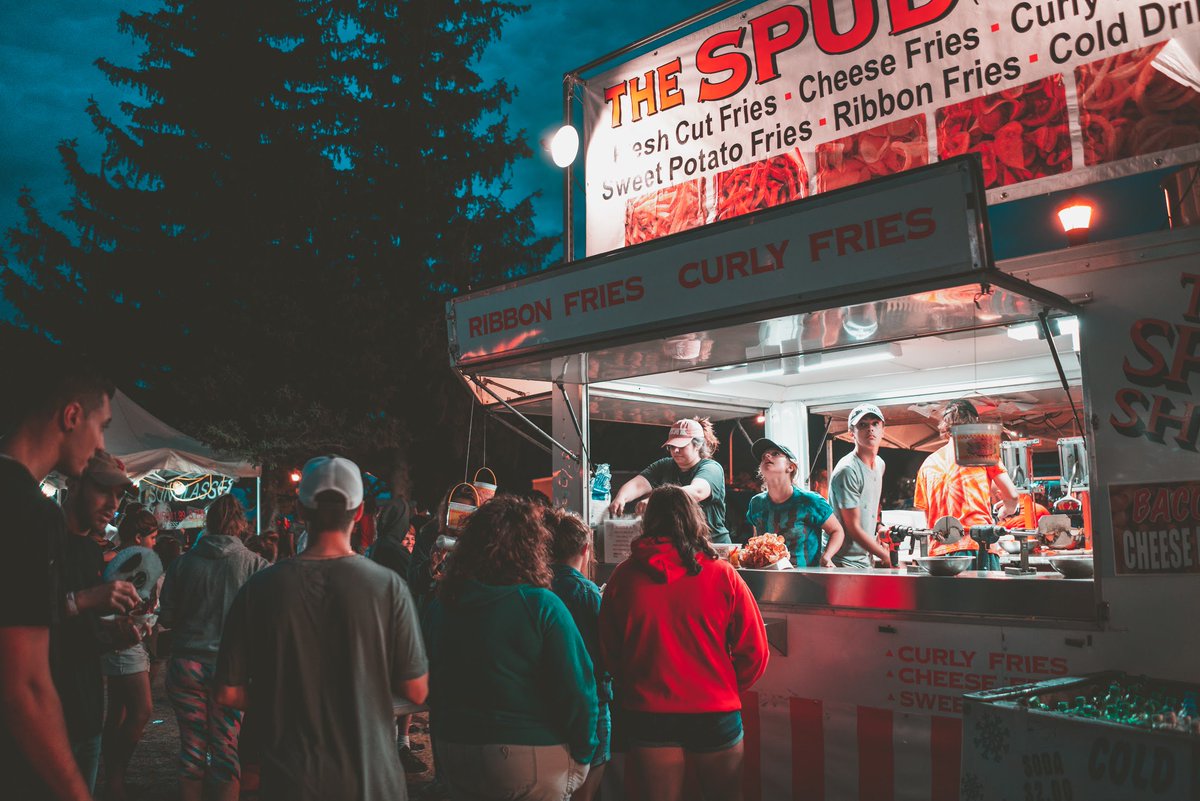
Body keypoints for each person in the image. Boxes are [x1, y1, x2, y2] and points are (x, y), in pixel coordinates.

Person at [216, 456, 428, 801]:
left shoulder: (260, 587)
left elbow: (227, 692)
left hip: (290, 778)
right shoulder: (388, 587)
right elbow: (416, 690)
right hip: (371, 779)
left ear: (300, 511)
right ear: (359, 513)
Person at [0, 351, 140, 801]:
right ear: (72, 415)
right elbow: (25, 683)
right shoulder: (28, 512)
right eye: (101, 425)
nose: (100, 443)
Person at [599, 486, 768, 801]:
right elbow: (755, 652)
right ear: (695, 520)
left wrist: (637, 681)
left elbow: (608, 652)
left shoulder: (623, 577)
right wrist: (725, 686)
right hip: (715, 711)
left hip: (649, 714)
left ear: (649, 521)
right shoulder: (724, 575)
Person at [428, 495, 598, 801]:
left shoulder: (444, 604)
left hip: (454, 748)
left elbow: (434, 678)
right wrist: (584, 752)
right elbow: (578, 691)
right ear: (533, 547)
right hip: (526, 755)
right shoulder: (541, 605)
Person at [159, 493, 269, 801]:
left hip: (186, 667)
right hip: (230, 671)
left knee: (192, 749)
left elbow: (166, 616)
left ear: (208, 522)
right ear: (240, 523)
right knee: (225, 751)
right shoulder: (256, 565)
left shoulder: (182, 564)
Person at [56, 448, 145, 794]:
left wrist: (118, 633)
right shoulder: (42, 539)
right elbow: (22, 612)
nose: (113, 503)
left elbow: (81, 633)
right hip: (49, 718)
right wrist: (87, 598)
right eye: (103, 490)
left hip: (88, 713)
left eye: (119, 494)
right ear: (75, 484)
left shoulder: (92, 551)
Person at [546, 508, 610, 801]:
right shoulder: (586, 593)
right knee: (592, 766)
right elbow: (605, 650)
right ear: (585, 549)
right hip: (590, 697)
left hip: (548, 696)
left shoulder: (538, 585)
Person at [914, 398, 1021, 568]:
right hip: (977, 545)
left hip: (940, 553)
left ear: (945, 424)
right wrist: (1008, 509)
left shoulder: (928, 463)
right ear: (975, 422)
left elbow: (927, 517)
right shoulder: (980, 450)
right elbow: (1013, 496)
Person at [100, 507, 161, 801]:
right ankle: (113, 780)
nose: (154, 542)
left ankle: (113, 781)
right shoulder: (122, 562)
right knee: (142, 710)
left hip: (126, 642)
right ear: (138, 537)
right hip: (123, 645)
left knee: (118, 712)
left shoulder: (120, 559)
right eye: (152, 536)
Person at [367, 495, 427, 775]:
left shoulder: (378, 546)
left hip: (381, 624)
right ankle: (396, 747)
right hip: (396, 625)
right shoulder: (392, 549)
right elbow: (415, 578)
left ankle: (396, 744)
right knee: (400, 688)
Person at [608, 417, 731, 543]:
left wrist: (656, 500)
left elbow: (697, 491)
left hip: (713, 544)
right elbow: (637, 485)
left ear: (697, 445)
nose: (675, 450)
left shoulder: (711, 468)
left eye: (681, 446)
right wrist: (621, 498)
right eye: (672, 446)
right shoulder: (664, 465)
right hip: (683, 546)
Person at [747, 438, 845, 568]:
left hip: (805, 578)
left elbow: (837, 530)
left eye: (775, 454)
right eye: (763, 456)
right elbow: (757, 538)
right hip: (767, 578)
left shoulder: (810, 501)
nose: (766, 456)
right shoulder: (756, 503)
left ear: (790, 467)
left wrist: (827, 556)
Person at [830, 404, 894, 569]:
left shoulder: (880, 464)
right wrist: (884, 555)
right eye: (863, 425)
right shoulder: (848, 470)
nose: (870, 429)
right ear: (852, 433)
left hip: (866, 559)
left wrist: (879, 527)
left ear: (883, 430)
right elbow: (853, 528)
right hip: (843, 562)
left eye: (875, 424)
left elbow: (870, 507)